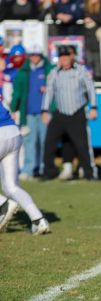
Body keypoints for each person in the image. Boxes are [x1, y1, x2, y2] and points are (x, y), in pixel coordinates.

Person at [0, 76, 50, 235]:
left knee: (9, 190)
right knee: (11, 186)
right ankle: (39, 220)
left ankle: (3, 204)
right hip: (13, 132)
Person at [41, 45, 97, 180]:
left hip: (76, 112)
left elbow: (91, 89)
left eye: (66, 57)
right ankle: (49, 172)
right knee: (49, 143)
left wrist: (94, 107)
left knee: (81, 145)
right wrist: (45, 110)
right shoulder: (55, 72)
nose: (64, 60)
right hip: (60, 113)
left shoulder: (80, 70)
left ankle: (88, 173)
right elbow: (49, 92)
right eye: (62, 57)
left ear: (71, 57)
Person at [10, 44, 54, 180]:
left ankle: (42, 167)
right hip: (28, 112)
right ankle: (29, 168)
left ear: (41, 55)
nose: (34, 58)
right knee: (29, 141)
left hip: (44, 112)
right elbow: (17, 92)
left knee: (44, 140)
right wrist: (13, 109)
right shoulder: (24, 72)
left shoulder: (49, 70)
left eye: (37, 55)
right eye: (32, 55)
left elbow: (55, 90)